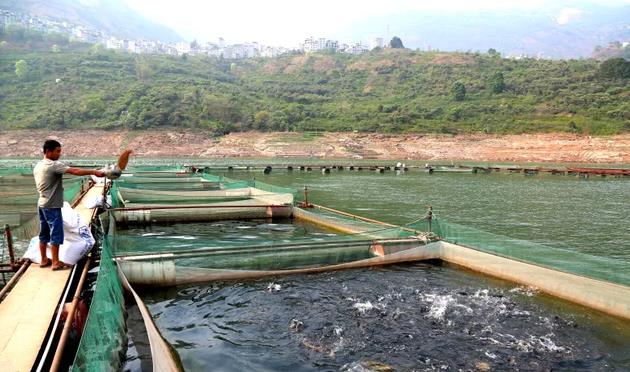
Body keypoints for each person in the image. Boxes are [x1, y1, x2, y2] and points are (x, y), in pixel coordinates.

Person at [33, 139, 105, 270]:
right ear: (48, 151)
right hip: (52, 205)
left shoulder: (39, 165)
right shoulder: (53, 165)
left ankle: (44, 259)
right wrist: (94, 172)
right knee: (56, 233)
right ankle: (55, 262)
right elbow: (75, 171)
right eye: (57, 151)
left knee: (44, 233)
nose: (59, 154)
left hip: (42, 203)